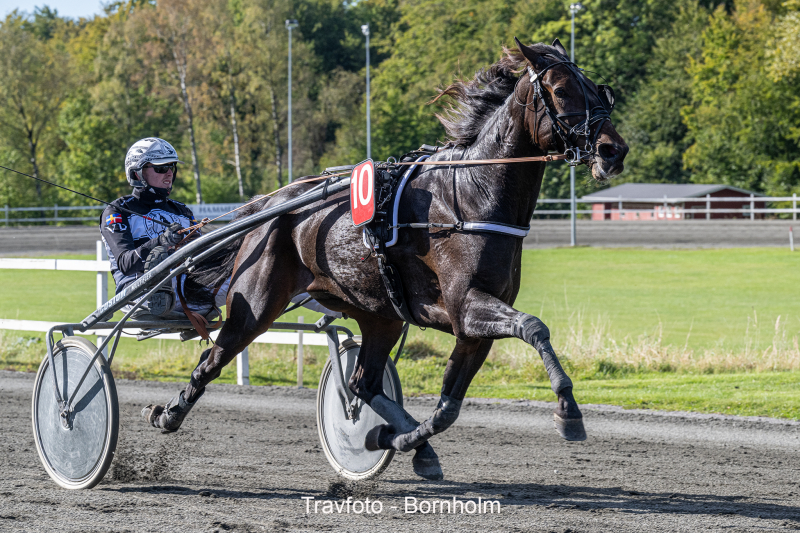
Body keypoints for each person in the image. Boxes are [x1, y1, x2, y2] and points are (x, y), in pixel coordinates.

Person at [101, 137, 340, 324]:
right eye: (161, 168)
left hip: (190, 289)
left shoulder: (181, 211)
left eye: (171, 167)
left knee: (268, 271)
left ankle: (342, 304)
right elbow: (125, 262)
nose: (169, 173)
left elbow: (203, 260)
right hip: (141, 295)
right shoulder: (118, 210)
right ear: (137, 173)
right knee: (264, 278)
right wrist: (162, 242)